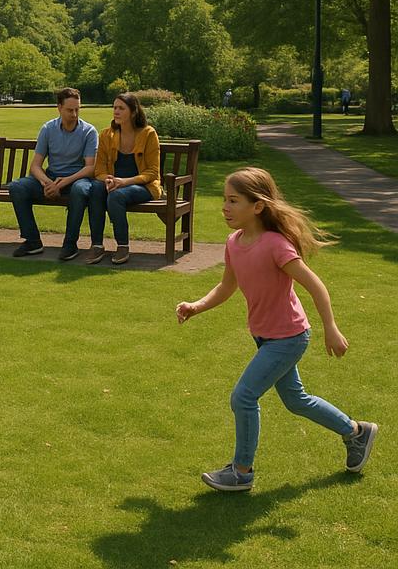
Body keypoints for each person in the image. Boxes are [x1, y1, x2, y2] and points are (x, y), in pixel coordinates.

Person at [176, 167, 377, 492]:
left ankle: (241, 471)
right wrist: (196, 306)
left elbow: (315, 285)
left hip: (288, 337)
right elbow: (227, 286)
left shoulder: (275, 245)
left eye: (233, 200)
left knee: (243, 397)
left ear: (258, 206)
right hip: (264, 336)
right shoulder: (234, 242)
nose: (225, 207)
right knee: (297, 400)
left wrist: (330, 327)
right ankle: (356, 432)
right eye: (225, 200)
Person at [6, 87, 98, 258]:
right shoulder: (48, 129)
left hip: (77, 179)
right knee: (17, 187)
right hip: (52, 178)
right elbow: (35, 166)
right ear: (59, 108)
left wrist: (62, 183)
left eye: (77, 109)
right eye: (70, 110)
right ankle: (32, 241)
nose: (74, 114)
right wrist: (47, 183)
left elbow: (90, 168)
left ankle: (70, 244)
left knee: (80, 190)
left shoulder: (89, 132)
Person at [83, 93, 161, 265]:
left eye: (121, 108)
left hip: (143, 186)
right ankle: (97, 245)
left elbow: (153, 172)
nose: (116, 111)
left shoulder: (148, 134)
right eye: (115, 108)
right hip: (114, 184)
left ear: (133, 112)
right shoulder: (106, 135)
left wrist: (125, 182)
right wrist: (108, 179)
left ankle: (122, 246)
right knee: (96, 188)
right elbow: (99, 170)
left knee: (116, 195)